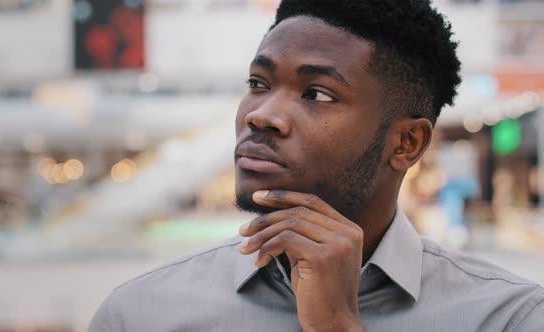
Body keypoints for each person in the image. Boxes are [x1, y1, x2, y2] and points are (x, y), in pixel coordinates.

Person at [89, 0, 544, 331]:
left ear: (407, 143)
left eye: (317, 94)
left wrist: (336, 326)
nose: (261, 114)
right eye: (257, 82)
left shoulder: (507, 318)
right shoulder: (139, 314)